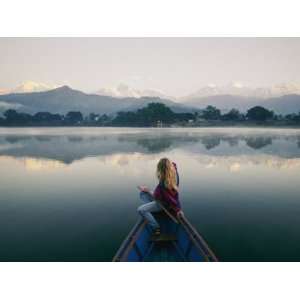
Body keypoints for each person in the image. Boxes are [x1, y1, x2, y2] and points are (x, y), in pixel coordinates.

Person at [137, 158, 184, 235]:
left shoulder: (163, 183)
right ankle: (153, 209)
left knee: (140, 210)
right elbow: (175, 195)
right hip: (164, 200)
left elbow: (158, 196)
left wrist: (178, 209)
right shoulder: (175, 174)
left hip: (163, 204)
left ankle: (156, 227)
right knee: (143, 193)